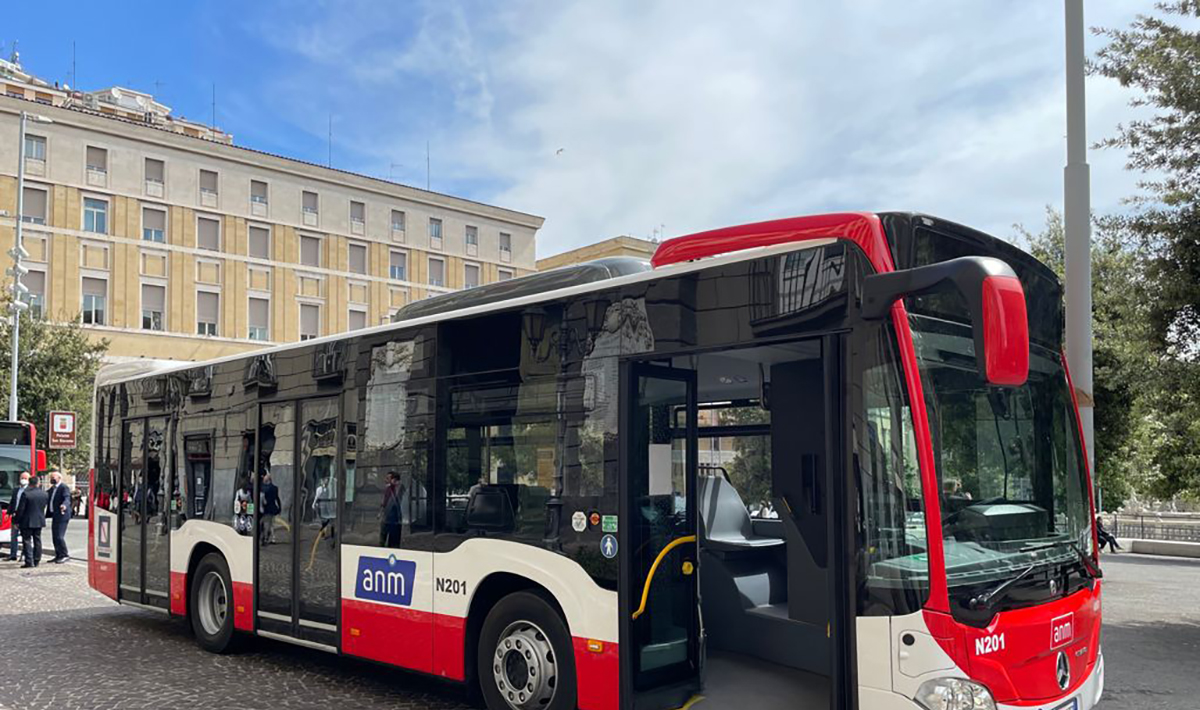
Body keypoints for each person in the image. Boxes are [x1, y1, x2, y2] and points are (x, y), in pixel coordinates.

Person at [15, 475, 48, 568]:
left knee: (27, 541)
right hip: (39, 520)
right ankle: (37, 559)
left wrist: (17, 521)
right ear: (38, 483)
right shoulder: (44, 494)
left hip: (26, 520)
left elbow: (21, 509)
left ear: (29, 483)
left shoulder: (26, 494)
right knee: (37, 540)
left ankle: (29, 561)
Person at [47, 471, 72, 563]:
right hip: (55, 515)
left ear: (59, 478)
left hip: (62, 514)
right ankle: (58, 554)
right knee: (54, 536)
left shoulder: (63, 487)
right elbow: (45, 496)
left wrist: (64, 505)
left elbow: (67, 498)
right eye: (51, 478)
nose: (52, 479)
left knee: (59, 536)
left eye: (54, 478)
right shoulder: (52, 489)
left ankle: (65, 555)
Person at [6, 471, 29, 561]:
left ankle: (24, 555)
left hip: (24, 516)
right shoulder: (16, 490)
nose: (23, 480)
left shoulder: (29, 490)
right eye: (22, 478)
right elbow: (12, 502)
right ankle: (13, 555)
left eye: (25, 478)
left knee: (25, 537)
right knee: (13, 536)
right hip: (15, 515)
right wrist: (8, 513)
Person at [380, 471, 404, 548]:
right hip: (387, 519)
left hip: (394, 520)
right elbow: (384, 503)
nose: (387, 481)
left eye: (389, 479)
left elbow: (392, 504)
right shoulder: (388, 489)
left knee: (393, 542)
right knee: (384, 540)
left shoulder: (398, 489)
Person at [259, 473, 281, 545]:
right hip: (273, 507)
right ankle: (273, 538)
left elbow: (263, 499)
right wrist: (279, 507)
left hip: (265, 508)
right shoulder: (275, 488)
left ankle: (265, 537)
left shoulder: (263, 488)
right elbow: (277, 498)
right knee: (271, 523)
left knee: (266, 523)